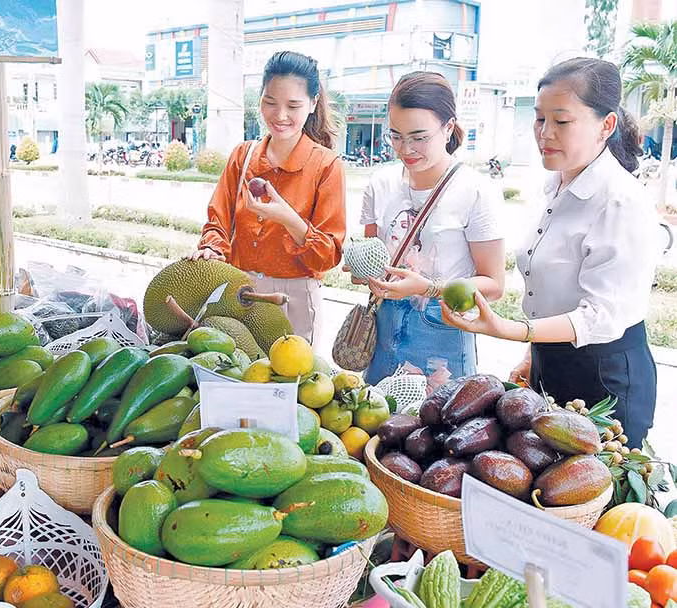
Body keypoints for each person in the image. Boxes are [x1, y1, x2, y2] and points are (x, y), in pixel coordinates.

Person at [441, 58, 658, 445]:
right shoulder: (554, 186)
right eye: (539, 119)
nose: (545, 133)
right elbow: (551, 293)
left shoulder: (621, 201)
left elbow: (600, 316)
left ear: (606, 125)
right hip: (550, 359)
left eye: (562, 121)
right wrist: (533, 352)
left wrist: (510, 330)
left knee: (591, 480)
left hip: (604, 378)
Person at [357, 71, 506, 385]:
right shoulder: (379, 184)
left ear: (448, 127)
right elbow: (372, 259)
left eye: (419, 137)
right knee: (376, 414)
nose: (405, 149)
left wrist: (428, 288)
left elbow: (494, 285)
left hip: (444, 338)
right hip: (384, 336)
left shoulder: (476, 190)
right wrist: (363, 270)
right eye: (396, 136)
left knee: (442, 416)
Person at [189, 51, 346, 346]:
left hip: (295, 299)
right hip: (237, 291)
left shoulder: (326, 165)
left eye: (293, 106)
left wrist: (288, 218)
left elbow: (328, 256)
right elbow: (217, 222)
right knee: (234, 368)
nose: (280, 115)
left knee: (289, 375)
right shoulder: (242, 156)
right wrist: (212, 249)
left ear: (313, 104)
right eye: (270, 102)